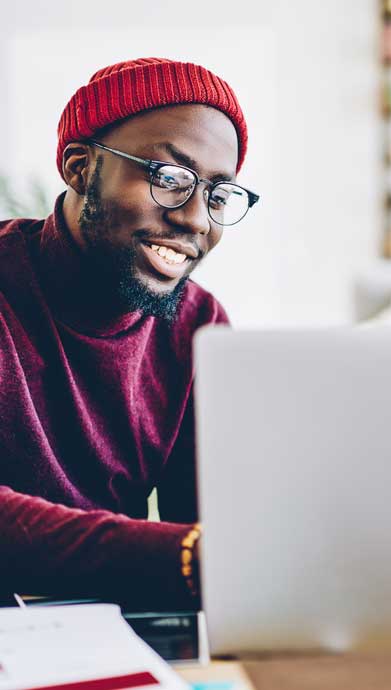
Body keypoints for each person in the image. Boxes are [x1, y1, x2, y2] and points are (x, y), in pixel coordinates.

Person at [0, 57, 259, 608]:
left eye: (217, 195)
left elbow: (213, 528)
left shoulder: (199, 326)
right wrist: (183, 558)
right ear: (79, 167)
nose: (195, 220)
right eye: (170, 179)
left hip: (109, 636)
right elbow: (195, 553)